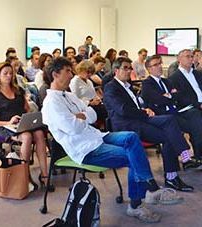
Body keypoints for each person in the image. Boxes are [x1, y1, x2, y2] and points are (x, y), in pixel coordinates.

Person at [42, 57, 183, 223]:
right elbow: (74, 128)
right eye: (67, 71)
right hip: (85, 149)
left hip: (96, 137)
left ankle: (149, 189)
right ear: (55, 74)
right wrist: (82, 116)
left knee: (132, 138)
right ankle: (139, 202)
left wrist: (81, 116)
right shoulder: (51, 103)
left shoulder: (69, 96)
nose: (71, 73)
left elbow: (94, 113)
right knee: (134, 156)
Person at [103, 57, 195, 192]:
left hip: (139, 119)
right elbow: (122, 110)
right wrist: (143, 112)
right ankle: (176, 168)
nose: (129, 71)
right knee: (169, 135)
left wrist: (145, 108)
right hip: (128, 125)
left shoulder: (128, 86)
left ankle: (179, 163)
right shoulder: (111, 87)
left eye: (130, 68)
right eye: (125, 68)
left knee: (170, 120)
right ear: (116, 70)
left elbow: (138, 103)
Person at [0, 62, 48, 186]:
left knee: (39, 133)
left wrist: (28, 119)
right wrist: (8, 122)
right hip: (3, 130)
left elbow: (27, 110)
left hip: (21, 124)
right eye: (5, 74)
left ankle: (44, 174)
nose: (9, 76)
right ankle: (24, 175)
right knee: (27, 136)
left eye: (11, 73)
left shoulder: (18, 90)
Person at [141, 55, 202, 162]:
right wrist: (171, 96)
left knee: (195, 118)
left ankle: (198, 155)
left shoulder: (166, 81)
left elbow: (179, 95)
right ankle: (186, 156)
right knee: (176, 124)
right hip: (162, 115)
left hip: (175, 112)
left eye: (160, 63)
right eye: (156, 65)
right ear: (149, 69)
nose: (160, 66)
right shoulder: (147, 83)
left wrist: (168, 96)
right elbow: (158, 100)